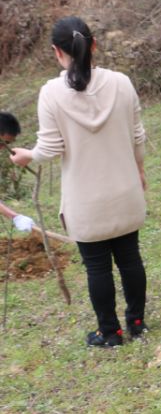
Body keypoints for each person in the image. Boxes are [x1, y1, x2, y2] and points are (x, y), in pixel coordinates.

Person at [9, 17, 149, 347]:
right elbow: (138, 135)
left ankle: (110, 332)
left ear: (57, 51)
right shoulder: (121, 82)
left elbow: (50, 148)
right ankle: (138, 323)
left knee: (96, 267)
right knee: (130, 258)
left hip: (85, 201)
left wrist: (27, 155)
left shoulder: (51, 93)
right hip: (125, 189)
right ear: (94, 44)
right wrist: (139, 169)